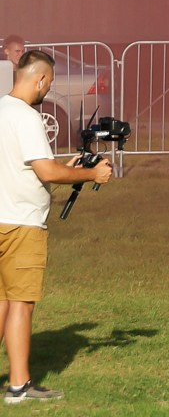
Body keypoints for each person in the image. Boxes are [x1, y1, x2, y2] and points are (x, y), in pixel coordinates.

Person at [2, 47, 115, 404]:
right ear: (41, 79)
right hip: (22, 224)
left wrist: (64, 166)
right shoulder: (28, 117)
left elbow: (27, 166)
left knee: (2, 300)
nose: (48, 89)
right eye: (49, 82)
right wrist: (91, 172)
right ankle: (19, 386)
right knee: (21, 301)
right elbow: (46, 171)